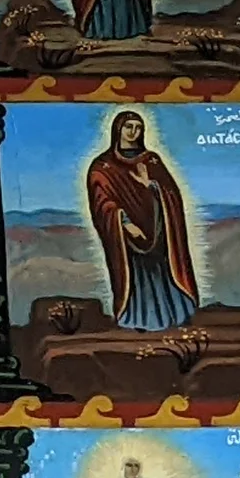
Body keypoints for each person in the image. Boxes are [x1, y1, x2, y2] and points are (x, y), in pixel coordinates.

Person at [83, 109, 202, 334]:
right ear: (118, 130)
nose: (133, 132)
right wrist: (125, 222)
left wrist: (152, 186)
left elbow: (171, 194)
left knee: (162, 272)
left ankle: (174, 316)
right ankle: (139, 320)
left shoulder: (151, 160)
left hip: (158, 229)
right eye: (129, 127)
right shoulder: (103, 166)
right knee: (137, 277)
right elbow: (102, 203)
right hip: (127, 235)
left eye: (138, 128)